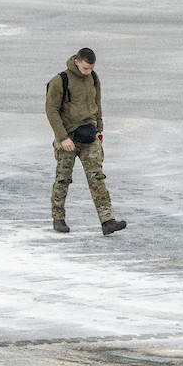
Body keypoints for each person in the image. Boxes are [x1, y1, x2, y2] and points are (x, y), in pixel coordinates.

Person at [44, 48, 126, 236]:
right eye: (85, 68)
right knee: (63, 178)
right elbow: (51, 111)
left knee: (97, 178)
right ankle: (58, 218)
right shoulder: (60, 81)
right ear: (76, 62)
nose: (88, 71)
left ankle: (107, 221)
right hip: (68, 138)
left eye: (91, 68)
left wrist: (99, 129)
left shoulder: (94, 78)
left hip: (89, 136)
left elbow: (97, 104)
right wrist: (63, 137)